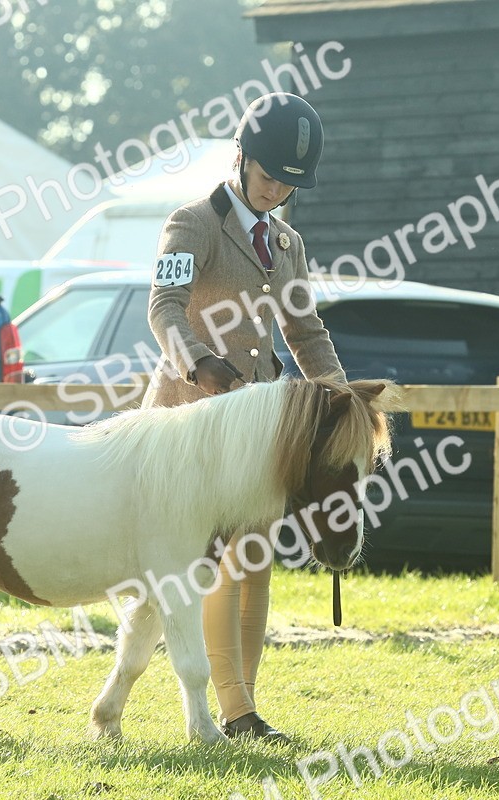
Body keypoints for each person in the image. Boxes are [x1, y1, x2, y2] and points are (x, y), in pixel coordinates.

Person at [142, 92, 346, 742]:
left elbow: (305, 332)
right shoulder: (192, 223)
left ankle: (243, 709)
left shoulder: (287, 243)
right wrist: (198, 363)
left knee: (252, 560)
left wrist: (340, 400)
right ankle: (234, 710)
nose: (276, 190)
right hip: (192, 423)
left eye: (289, 183)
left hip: (256, 432)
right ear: (242, 158)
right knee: (212, 563)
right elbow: (163, 308)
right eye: (268, 176)